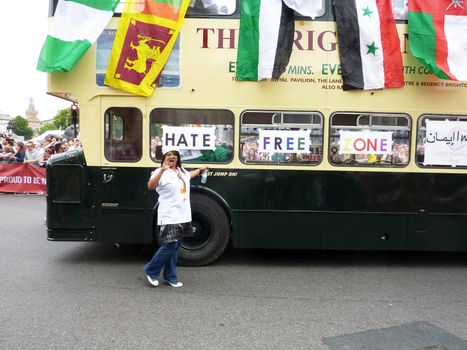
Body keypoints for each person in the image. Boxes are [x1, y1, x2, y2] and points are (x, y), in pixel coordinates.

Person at [144, 150, 207, 288]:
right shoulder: (160, 172)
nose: (172, 158)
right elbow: (151, 186)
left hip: (183, 214)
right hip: (169, 215)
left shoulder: (181, 171)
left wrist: (199, 170)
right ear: (165, 159)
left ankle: (170, 277)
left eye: (174, 156)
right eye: (168, 156)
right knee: (170, 245)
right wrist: (162, 170)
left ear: (178, 159)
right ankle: (151, 270)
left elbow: (188, 176)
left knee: (175, 247)